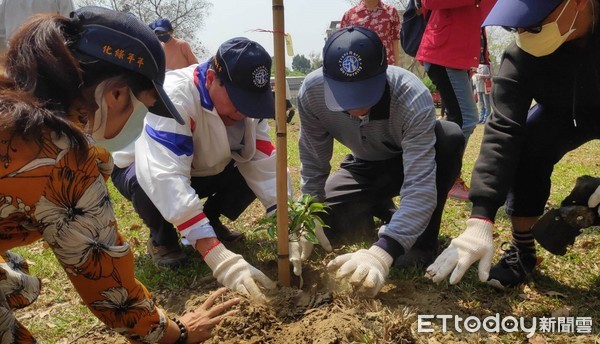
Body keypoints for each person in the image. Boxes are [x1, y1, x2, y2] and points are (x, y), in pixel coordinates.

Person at [0, 6, 239, 342]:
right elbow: (110, 289)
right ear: (114, 94)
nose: (141, 118)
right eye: (143, 104)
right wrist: (178, 332)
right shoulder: (59, 155)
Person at [425, 0, 600, 290]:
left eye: (533, 23)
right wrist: (480, 219)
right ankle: (523, 251)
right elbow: (502, 130)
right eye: (514, 24)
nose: (522, 33)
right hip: (560, 115)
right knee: (527, 146)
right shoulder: (521, 54)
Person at [295, 26, 464, 297]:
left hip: (407, 162)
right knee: (329, 222)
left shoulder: (410, 95)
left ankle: (421, 241)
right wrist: (309, 215)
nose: (356, 107)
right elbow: (313, 160)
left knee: (449, 136)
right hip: (363, 166)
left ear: (384, 71)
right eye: (344, 95)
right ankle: (380, 207)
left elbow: (420, 185)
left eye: (365, 92)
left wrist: (383, 252)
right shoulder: (311, 93)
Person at [111, 37, 281, 301]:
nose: (242, 113)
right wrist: (217, 256)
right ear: (212, 78)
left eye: (250, 103)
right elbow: (163, 174)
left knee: (247, 170)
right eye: (238, 101)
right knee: (147, 182)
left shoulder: (247, 110)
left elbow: (264, 163)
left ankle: (209, 221)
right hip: (144, 168)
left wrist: (291, 222)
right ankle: (163, 239)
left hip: (204, 168)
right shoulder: (173, 94)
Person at [416, 0, 495, 200]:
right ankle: (447, 178)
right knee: (466, 118)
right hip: (444, 53)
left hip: (456, 55)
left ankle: (435, 173)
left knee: (456, 119)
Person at [340, 0, 401, 66]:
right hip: (360, 66)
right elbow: (343, 45)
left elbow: (395, 41)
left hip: (386, 65)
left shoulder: (391, 12)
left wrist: (396, 66)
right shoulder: (349, 15)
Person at [0, 0, 74, 53]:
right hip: (48, 58)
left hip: (14, 60)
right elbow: (71, 27)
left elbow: (1, 35)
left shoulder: (6, 2)